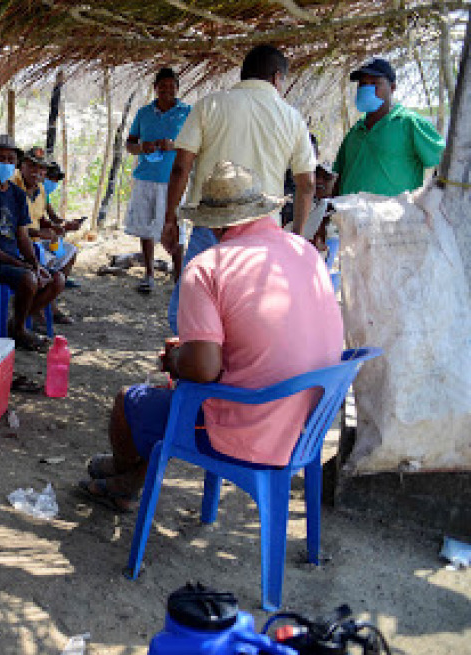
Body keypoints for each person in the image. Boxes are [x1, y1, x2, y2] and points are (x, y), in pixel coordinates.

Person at [79, 162, 343, 512]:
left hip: (249, 429)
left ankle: (125, 480)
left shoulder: (209, 266)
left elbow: (203, 368)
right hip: (308, 426)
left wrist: (175, 359)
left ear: (212, 223)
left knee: (129, 402)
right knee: (181, 397)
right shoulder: (305, 252)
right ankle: (124, 476)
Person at [162, 45, 317, 334]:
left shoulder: (210, 105)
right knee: (247, 317)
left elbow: (181, 167)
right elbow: (306, 184)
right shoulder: (291, 118)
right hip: (263, 231)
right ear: (276, 77)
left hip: (211, 225)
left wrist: (170, 219)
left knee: (189, 312)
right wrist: (296, 233)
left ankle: (194, 370)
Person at [0, 135, 65, 351]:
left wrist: (34, 263)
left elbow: (23, 236)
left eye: (10, 159)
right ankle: (19, 330)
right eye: (0, 158)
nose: (6, 164)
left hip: (11, 257)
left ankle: (15, 323)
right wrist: (23, 266)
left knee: (57, 279)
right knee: (28, 278)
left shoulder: (17, 195)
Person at [333, 57, 446, 197]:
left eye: (375, 83)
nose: (367, 89)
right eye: (362, 84)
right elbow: (341, 176)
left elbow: (445, 163)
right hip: (349, 215)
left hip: (392, 217)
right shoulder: (356, 131)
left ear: (392, 88)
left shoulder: (410, 123)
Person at [125, 67, 191, 294]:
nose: (166, 90)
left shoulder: (187, 113)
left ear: (177, 89)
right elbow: (130, 144)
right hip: (145, 177)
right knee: (145, 227)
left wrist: (174, 145)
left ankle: (178, 278)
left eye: (171, 86)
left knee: (176, 227)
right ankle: (149, 275)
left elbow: (197, 146)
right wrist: (142, 147)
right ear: (155, 88)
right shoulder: (143, 113)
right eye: (162, 86)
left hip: (174, 179)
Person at [12, 147, 74, 325]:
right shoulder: (13, 186)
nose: (37, 172)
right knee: (45, 261)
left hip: (37, 241)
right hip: (20, 243)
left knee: (69, 252)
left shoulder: (40, 188)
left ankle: (46, 301)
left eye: (41, 168)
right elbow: (14, 228)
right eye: (32, 166)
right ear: (21, 165)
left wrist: (54, 227)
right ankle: (38, 309)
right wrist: (39, 232)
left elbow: (40, 218)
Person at [40, 161, 84, 288]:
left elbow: (53, 217)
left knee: (70, 250)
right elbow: (39, 223)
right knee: (56, 251)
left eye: (55, 180)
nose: (53, 183)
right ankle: (54, 280)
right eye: (50, 179)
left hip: (46, 236)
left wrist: (67, 223)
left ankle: (62, 280)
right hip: (38, 237)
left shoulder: (44, 195)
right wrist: (60, 227)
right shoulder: (29, 193)